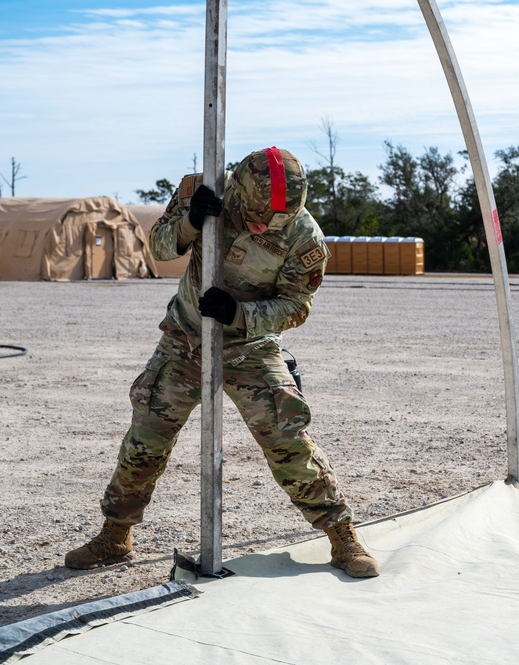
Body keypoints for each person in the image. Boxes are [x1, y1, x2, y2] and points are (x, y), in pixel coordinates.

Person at [64, 146, 379, 578]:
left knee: (288, 439)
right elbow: (158, 247)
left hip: (249, 347)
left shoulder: (305, 238)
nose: (263, 226)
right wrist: (192, 222)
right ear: (241, 192)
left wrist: (240, 314)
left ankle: (343, 539)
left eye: (273, 222)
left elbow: (296, 306)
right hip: (185, 342)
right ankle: (116, 535)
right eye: (255, 216)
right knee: (146, 440)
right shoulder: (201, 191)